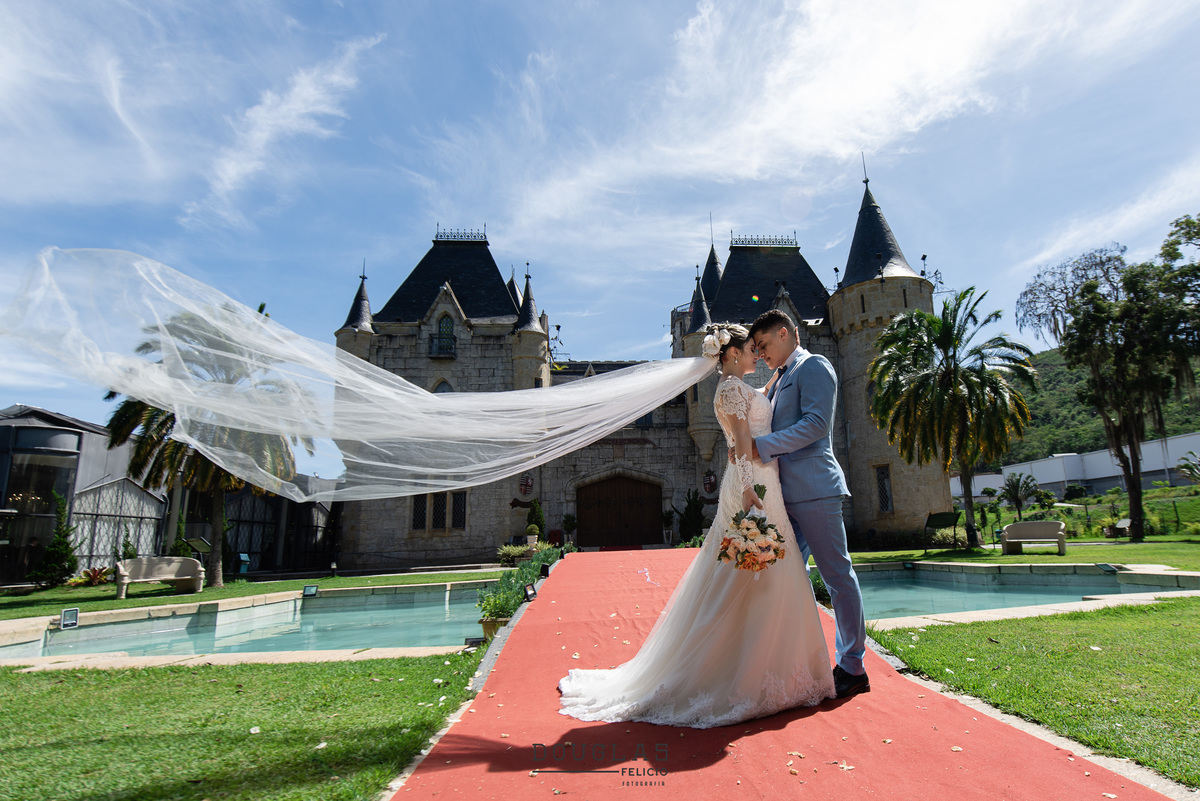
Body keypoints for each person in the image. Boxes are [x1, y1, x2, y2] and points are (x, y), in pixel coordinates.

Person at [558, 323, 835, 728]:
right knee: (753, 574)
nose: (758, 354)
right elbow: (741, 441)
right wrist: (745, 491)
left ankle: (770, 665)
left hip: (760, 480)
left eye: (761, 349)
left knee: (761, 576)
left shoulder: (738, 386)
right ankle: (746, 671)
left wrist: (781, 371)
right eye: (751, 349)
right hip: (754, 485)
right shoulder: (730, 390)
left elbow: (756, 410)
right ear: (732, 355)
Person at [747, 309, 869, 698]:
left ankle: (853, 666)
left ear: (786, 334)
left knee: (837, 578)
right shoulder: (778, 379)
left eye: (764, 345)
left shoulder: (814, 366)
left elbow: (817, 424)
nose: (762, 354)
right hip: (785, 499)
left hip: (816, 490)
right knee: (784, 578)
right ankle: (793, 659)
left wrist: (761, 447)